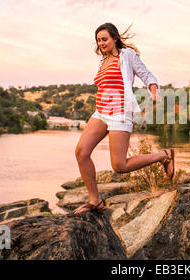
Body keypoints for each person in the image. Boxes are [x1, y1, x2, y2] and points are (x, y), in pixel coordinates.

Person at [74, 23, 175, 214]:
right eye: (98, 40)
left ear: (114, 38)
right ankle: (95, 201)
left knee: (119, 165)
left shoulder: (127, 55)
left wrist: (154, 92)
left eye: (104, 39)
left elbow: (147, 75)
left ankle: (165, 155)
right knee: (81, 151)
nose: (101, 43)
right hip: (101, 111)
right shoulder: (102, 62)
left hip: (120, 112)